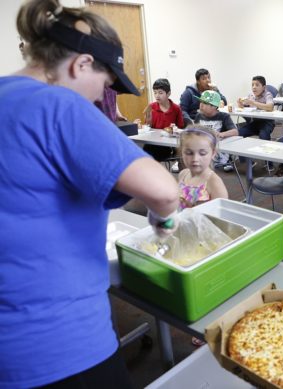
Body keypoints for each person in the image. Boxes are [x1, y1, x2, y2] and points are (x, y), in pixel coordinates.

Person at [0, 1, 180, 388]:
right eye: (104, 82)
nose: (101, 96)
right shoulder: (58, 104)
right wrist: (160, 215)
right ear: (81, 64)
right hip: (57, 342)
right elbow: (164, 191)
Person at [178, 127, 228, 210]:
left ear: (213, 153)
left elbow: (222, 215)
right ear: (181, 152)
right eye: (189, 153)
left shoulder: (214, 182)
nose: (195, 159)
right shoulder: (183, 174)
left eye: (202, 153)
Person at [191, 90, 238, 172]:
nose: (201, 105)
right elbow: (195, 130)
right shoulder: (199, 116)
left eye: (204, 103)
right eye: (200, 102)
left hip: (218, 146)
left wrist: (221, 134)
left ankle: (227, 160)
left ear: (214, 106)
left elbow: (235, 132)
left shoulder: (224, 116)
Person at [140, 78, 185, 162]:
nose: (157, 95)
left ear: (168, 94)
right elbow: (147, 128)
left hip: (168, 144)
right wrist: (148, 121)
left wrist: (174, 128)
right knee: (144, 155)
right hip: (152, 142)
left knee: (152, 157)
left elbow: (180, 127)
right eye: (155, 93)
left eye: (160, 93)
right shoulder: (151, 107)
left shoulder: (176, 108)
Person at [235, 75, 275, 141]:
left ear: (264, 87)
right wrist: (240, 105)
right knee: (238, 133)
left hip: (267, 122)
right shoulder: (250, 95)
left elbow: (270, 107)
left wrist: (253, 103)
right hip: (254, 122)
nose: (254, 87)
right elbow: (244, 109)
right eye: (252, 85)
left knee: (263, 137)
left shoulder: (268, 94)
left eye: (257, 85)